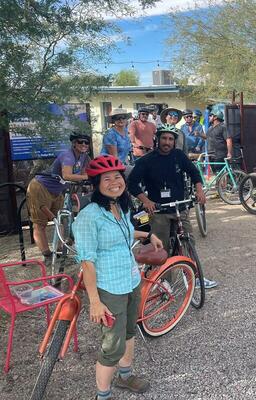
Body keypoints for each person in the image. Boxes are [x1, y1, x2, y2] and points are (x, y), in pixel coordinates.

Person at [72, 155, 163, 400]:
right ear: (96, 183)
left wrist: (147, 234)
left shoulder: (119, 206)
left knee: (129, 332)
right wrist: (95, 301)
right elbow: (87, 262)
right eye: (107, 178)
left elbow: (126, 230)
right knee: (112, 346)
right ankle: (102, 395)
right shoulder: (89, 217)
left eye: (118, 177)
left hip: (131, 280)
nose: (114, 182)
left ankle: (125, 377)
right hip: (109, 288)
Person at [128, 125, 218, 289]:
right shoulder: (147, 160)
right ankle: (164, 280)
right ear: (158, 139)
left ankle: (194, 276)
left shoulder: (179, 156)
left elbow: (194, 173)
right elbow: (132, 183)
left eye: (170, 139)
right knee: (162, 246)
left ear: (174, 141)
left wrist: (200, 191)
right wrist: (146, 201)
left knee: (188, 241)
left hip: (179, 207)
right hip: (158, 210)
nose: (167, 142)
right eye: (164, 138)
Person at [28, 132, 91, 265]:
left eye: (86, 142)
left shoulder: (84, 156)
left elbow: (87, 172)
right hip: (41, 187)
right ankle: (47, 256)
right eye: (81, 142)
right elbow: (67, 175)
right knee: (40, 224)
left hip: (58, 190)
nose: (84, 144)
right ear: (74, 143)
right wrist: (86, 177)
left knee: (61, 220)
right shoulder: (67, 155)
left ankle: (60, 253)